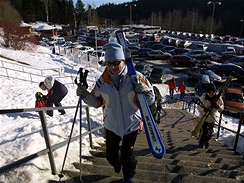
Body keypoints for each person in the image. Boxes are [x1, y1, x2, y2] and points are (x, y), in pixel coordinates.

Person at [76, 42, 155, 183]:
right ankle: (117, 163)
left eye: (116, 62)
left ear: (123, 61)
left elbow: (149, 100)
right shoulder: (102, 82)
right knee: (110, 156)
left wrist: (145, 92)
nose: (112, 67)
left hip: (132, 124)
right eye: (108, 63)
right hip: (111, 124)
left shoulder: (135, 77)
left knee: (127, 156)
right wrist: (84, 95)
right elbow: (96, 102)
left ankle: (129, 174)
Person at [197, 83, 224, 149]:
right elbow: (198, 106)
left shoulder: (218, 98)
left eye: (213, 93)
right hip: (203, 118)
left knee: (210, 133)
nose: (211, 94)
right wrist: (203, 109)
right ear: (207, 92)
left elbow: (222, 107)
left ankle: (206, 141)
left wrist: (217, 106)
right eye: (209, 93)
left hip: (212, 118)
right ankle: (201, 142)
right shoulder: (203, 97)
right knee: (205, 131)